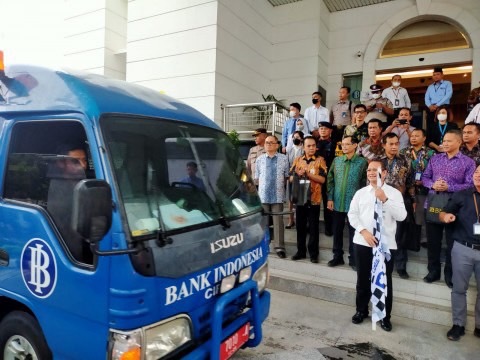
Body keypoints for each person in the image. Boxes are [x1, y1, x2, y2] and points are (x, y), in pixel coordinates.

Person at [348, 159, 407, 331]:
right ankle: (361, 310)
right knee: (362, 278)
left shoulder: (394, 193)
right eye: (369, 169)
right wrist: (363, 231)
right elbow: (352, 215)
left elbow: (402, 216)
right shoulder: (361, 193)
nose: (371, 172)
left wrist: (385, 199)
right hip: (363, 242)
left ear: (385, 172)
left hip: (385, 245)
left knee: (384, 281)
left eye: (376, 169)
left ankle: (384, 316)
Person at [421, 129, 475, 287]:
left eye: (449, 141)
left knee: (453, 243)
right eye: (444, 140)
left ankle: (450, 274)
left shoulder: (468, 162)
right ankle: (433, 271)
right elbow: (425, 178)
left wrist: (449, 187)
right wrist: (433, 184)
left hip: (456, 207)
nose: (445, 143)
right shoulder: (435, 159)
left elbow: (470, 184)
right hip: (434, 203)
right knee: (433, 242)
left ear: (459, 142)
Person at [439, 165, 480, 341]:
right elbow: (443, 213)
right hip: (463, 248)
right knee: (459, 289)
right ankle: (458, 325)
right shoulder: (463, 194)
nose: (478, 175)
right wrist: (446, 217)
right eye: (477, 172)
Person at [326, 135, 367, 269]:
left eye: (347, 144)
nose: (344, 146)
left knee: (353, 232)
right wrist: (330, 198)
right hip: (337, 202)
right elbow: (330, 180)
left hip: (354, 205)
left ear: (355, 145)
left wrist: (362, 202)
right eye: (342, 144)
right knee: (337, 231)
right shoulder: (337, 161)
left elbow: (364, 184)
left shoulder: (362, 162)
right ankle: (337, 256)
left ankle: (353, 259)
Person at [380, 133, 413, 279]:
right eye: (390, 144)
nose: (394, 146)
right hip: (381, 201)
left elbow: (411, 181)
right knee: (383, 232)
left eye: (396, 144)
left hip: (400, 201)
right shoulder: (377, 161)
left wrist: (412, 199)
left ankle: (400, 266)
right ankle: (381, 263)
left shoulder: (406, 160)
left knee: (400, 235)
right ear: (384, 145)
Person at [290, 136, 327, 263]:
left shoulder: (320, 160)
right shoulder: (297, 160)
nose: (311, 148)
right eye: (308, 146)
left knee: (313, 227)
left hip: (314, 199)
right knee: (300, 226)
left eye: (313, 145)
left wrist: (308, 174)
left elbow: (322, 179)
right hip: (300, 197)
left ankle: (313, 254)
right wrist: (297, 174)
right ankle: (300, 251)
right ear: (303, 147)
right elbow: (289, 178)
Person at [255, 135, 289, 258]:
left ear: (277, 145)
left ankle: (279, 247)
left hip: (278, 195)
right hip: (263, 196)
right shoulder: (259, 159)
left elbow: (286, 177)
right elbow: (257, 179)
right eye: (267, 143)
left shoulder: (284, 159)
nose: (268, 144)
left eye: (271, 142)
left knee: (278, 222)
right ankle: (263, 245)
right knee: (263, 222)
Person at [400, 128, 435, 248]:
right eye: (412, 135)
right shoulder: (404, 152)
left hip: (423, 188)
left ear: (424, 138)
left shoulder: (430, 153)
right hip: (406, 187)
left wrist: (424, 180)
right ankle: (408, 240)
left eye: (417, 136)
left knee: (420, 214)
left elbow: (434, 171)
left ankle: (422, 240)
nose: (413, 137)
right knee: (406, 214)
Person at [316, 121, 335, 236]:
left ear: (330, 131)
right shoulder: (314, 143)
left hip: (329, 177)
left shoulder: (334, 144)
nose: (323, 130)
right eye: (321, 128)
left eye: (325, 128)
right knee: (314, 203)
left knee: (328, 203)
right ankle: (313, 226)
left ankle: (329, 228)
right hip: (315, 177)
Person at [425, 67, 453, 133]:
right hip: (432, 109)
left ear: (442, 75)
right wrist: (429, 106)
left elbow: (448, 95)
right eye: (434, 75)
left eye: (438, 74)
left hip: (443, 107)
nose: (436, 76)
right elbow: (426, 98)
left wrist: (437, 105)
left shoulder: (447, 83)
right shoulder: (430, 86)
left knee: (444, 124)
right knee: (430, 126)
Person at [286, 131, 304, 229]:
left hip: (301, 176)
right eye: (293, 137)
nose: (295, 139)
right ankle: (290, 219)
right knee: (290, 199)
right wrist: (289, 176)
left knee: (299, 198)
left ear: (301, 138)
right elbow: (287, 165)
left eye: (297, 137)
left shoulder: (304, 150)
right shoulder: (290, 150)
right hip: (291, 176)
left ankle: (298, 220)